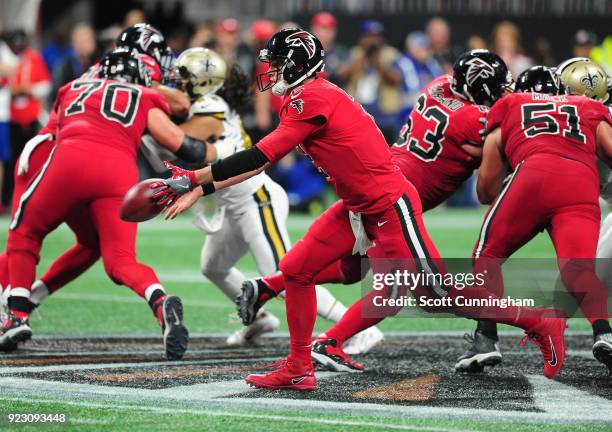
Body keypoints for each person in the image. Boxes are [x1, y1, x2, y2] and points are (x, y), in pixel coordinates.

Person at [155, 29, 569, 390]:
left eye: (278, 64)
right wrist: (199, 186)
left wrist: (194, 179)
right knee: (297, 269)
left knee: (435, 295)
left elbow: (260, 156)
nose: (271, 72)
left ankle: (539, 322)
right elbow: (257, 159)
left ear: (298, 66)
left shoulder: (310, 98)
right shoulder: (305, 95)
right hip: (356, 205)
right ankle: (299, 366)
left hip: (389, 205)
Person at [236, 49, 508, 372]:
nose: (505, 90)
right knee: (398, 292)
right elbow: (493, 158)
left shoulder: (438, 85)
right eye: (499, 86)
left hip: (385, 176)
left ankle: (270, 286)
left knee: (352, 270)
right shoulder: (474, 119)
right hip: (392, 200)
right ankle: (329, 342)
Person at [162, 47, 382, 353]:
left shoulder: (209, 106)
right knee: (213, 266)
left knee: (285, 274)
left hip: (256, 199)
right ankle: (259, 320)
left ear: (202, 80)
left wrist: (145, 110)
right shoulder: (201, 104)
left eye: (183, 76)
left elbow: (172, 140)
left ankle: (356, 327)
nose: (176, 81)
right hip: (231, 201)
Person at [0, 49, 206, 360]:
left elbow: (51, 134)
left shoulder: (71, 88)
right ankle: (159, 302)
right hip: (118, 173)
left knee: (25, 233)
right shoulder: (144, 95)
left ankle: (16, 314)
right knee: (119, 259)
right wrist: (219, 146)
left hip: (67, 160)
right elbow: (182, 146)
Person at [456, 64, 612, 373]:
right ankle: (603, 332)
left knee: (486, 256)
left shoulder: (511, 105)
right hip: (581, 183)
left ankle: (485, 338)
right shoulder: (586, 106)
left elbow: (485, 192)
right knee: (578, 269)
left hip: (533, 175)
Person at [339, 20, 403, 143]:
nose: (373, 41)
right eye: (369, 37)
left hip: (385, 112)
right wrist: (362, 57)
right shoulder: (355, 53)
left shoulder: (390, 54)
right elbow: (342, 76)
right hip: (359, 111)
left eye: (376, 37)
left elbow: (397, 79)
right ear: (362, 38)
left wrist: (379, 63)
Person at [396, 31, 443, 120]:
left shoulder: (432, 63)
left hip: (431, 111)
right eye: (421, 48)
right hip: (407, 112)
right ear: (411, 49)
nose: (425, 52)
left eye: (427, 48)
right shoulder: (401, 63)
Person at [51, 23, 99, 100]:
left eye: (89, 40)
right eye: (83, 41)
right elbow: (56, 94)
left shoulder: (99, 63)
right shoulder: (64, 66)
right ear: (75, 44)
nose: (87, 45)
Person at [309, 12, 347, 86]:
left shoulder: (340, 52)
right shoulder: (305, 51)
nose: (327, 33)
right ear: (313, 29)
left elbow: (345, 71)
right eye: (323, 29)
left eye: (331, 30)